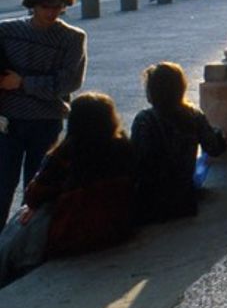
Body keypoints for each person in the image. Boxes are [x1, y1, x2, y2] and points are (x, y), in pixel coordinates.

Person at [0, 92, 134, 288]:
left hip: (71, 230)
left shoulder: (66, 153)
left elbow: (33, 196)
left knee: (16, 227)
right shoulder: (124, 148)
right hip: (114, 224)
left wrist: (34, 205)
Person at [0, 0, 87, 220]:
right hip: (8, 121)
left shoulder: (72, 38)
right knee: (3, 185)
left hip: (46, 119)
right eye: (45, 6)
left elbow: (70, 82)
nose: (51, 12)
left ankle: (30, 241)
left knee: (38, 187)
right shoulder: (7, 31)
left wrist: (23, 82)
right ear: (33, 5)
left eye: (57, 7)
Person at [131, 62, 227, 223]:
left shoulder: (144, 120)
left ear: (152, 93)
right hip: (183, 198)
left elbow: (136, 160)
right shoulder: (194, 116)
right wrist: (217, 133)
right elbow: (215, 149)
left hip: (149, 199)